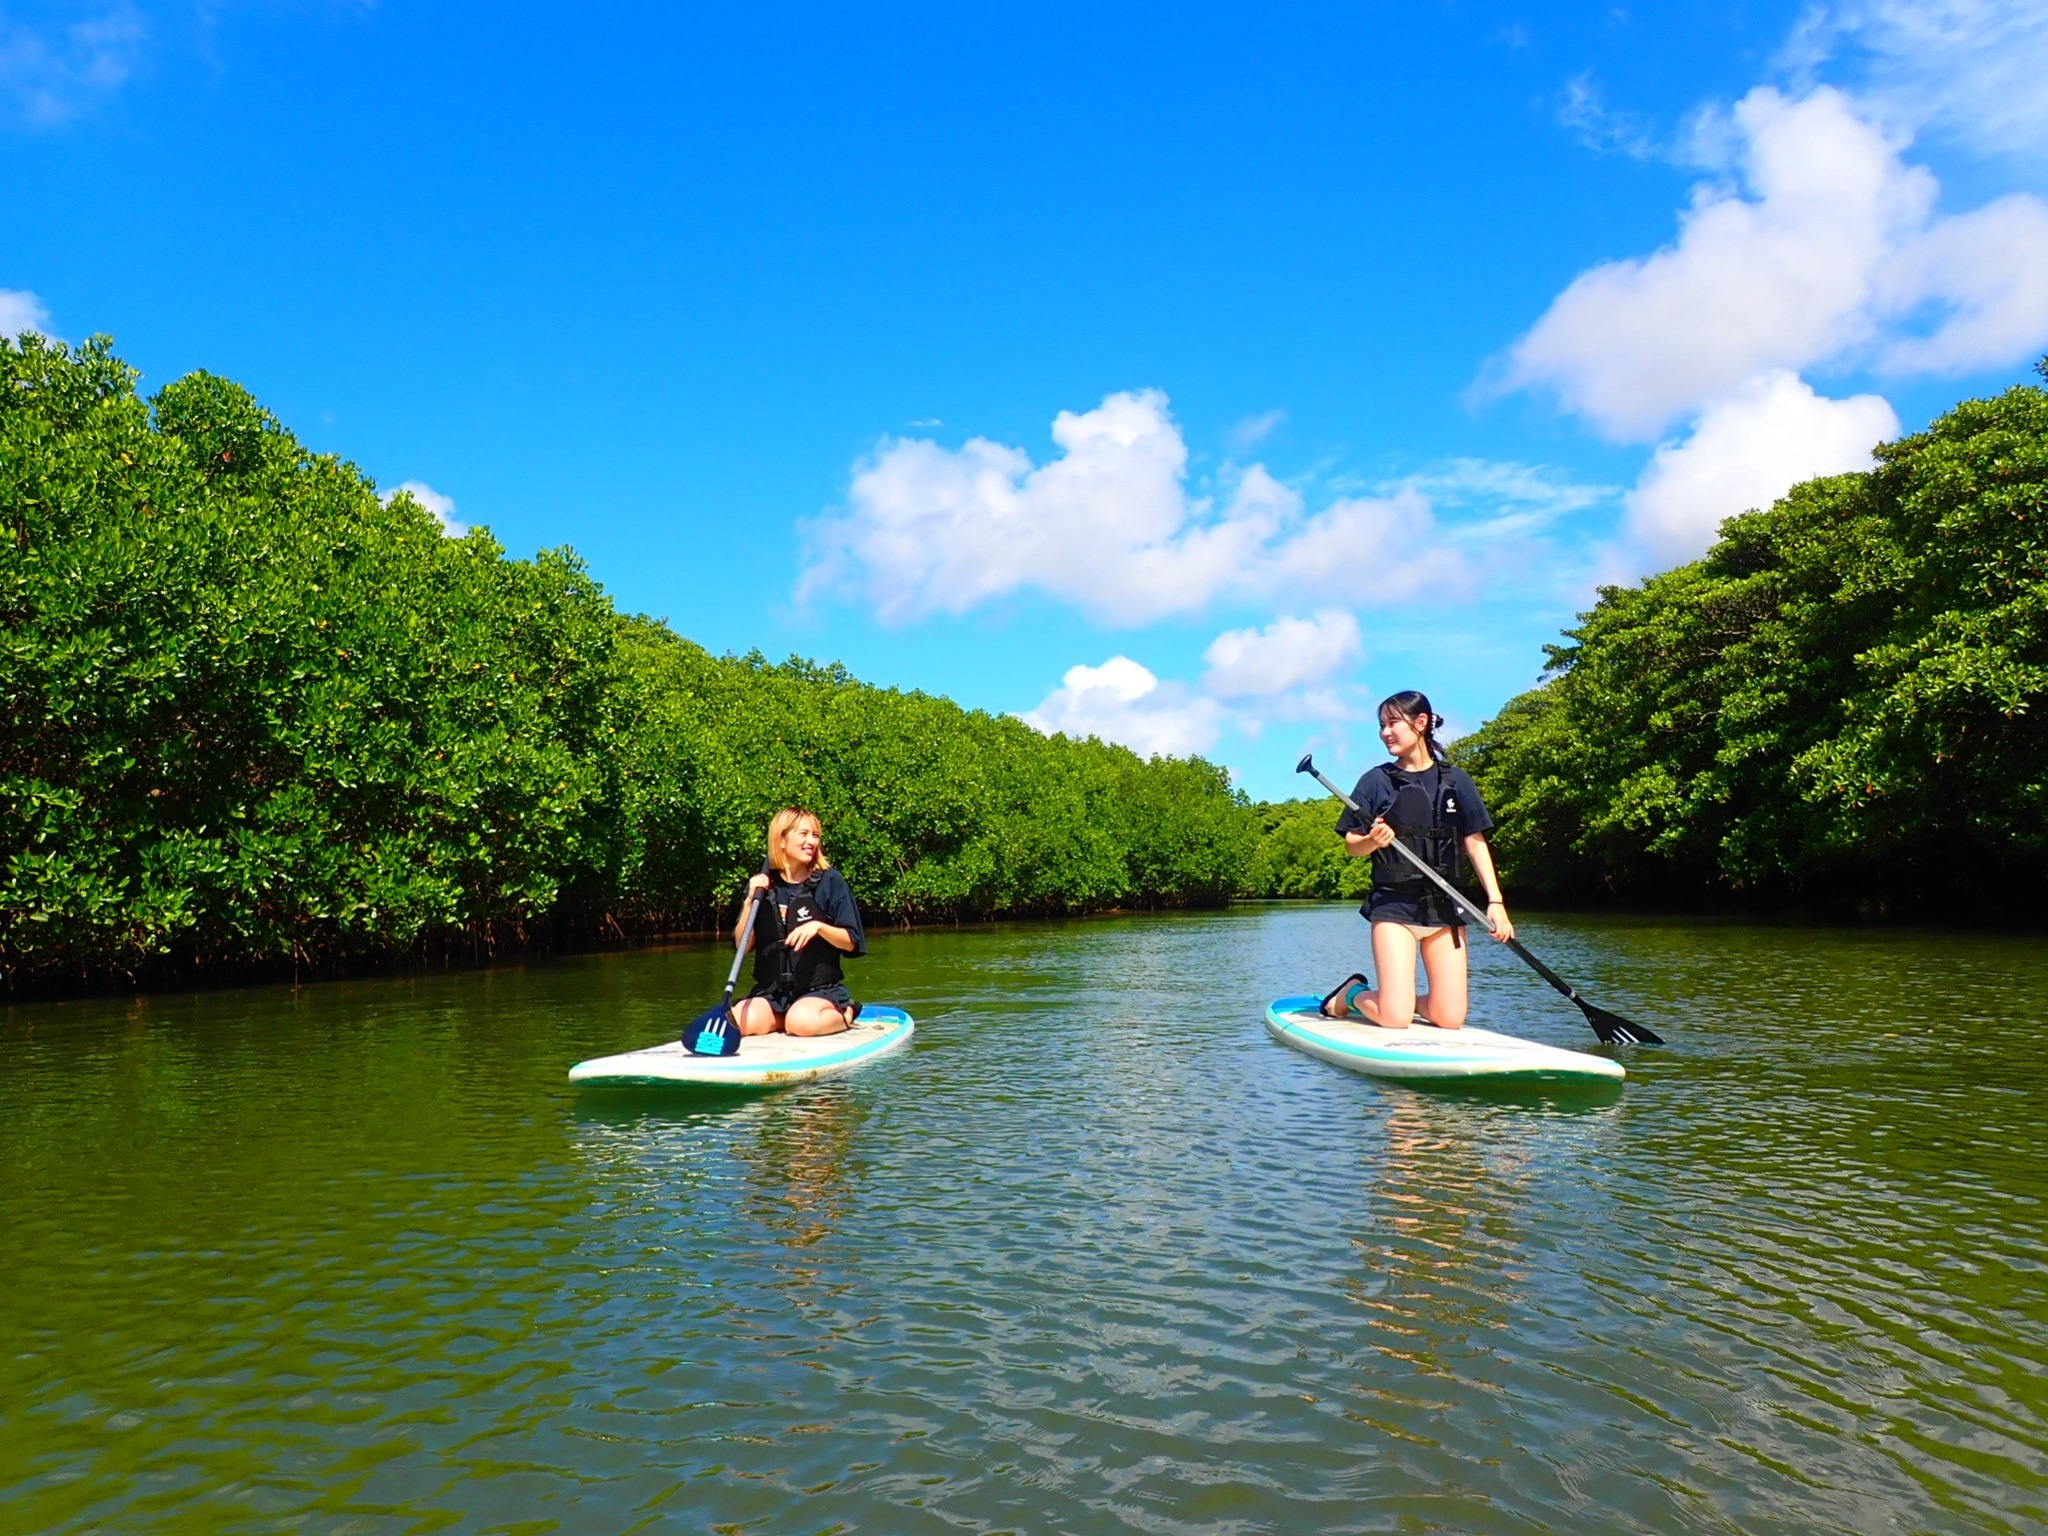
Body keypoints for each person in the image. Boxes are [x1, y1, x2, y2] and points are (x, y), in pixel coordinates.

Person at [1322, 691, 1515, 1030]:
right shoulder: (1375, 781)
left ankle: (1396, 999)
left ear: (1421, 723)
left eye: (1393, 723)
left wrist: (1495, 902)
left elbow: (1475, 841)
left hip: (1445, 907)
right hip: (1394, 907)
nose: (1385, 732)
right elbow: (1352, 845)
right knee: (1396, 1017)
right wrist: (1371, 840)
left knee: (1449, 1017)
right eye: (1381, 725)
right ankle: (1352, 994)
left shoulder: (1456, 781)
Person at [730, 808, 867, 1038]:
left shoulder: (831, 881)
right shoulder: (763, 885)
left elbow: (852, 942)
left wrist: (819, 928)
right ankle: (782, 1018)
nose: (811, 841)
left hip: (819, 991)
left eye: (815, 835)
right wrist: (749, 900)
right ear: (781, 839)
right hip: (772, 993)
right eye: (803, 834)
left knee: (802, 1023)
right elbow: (741, 945)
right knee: (737, 1022)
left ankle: (845, 1012)